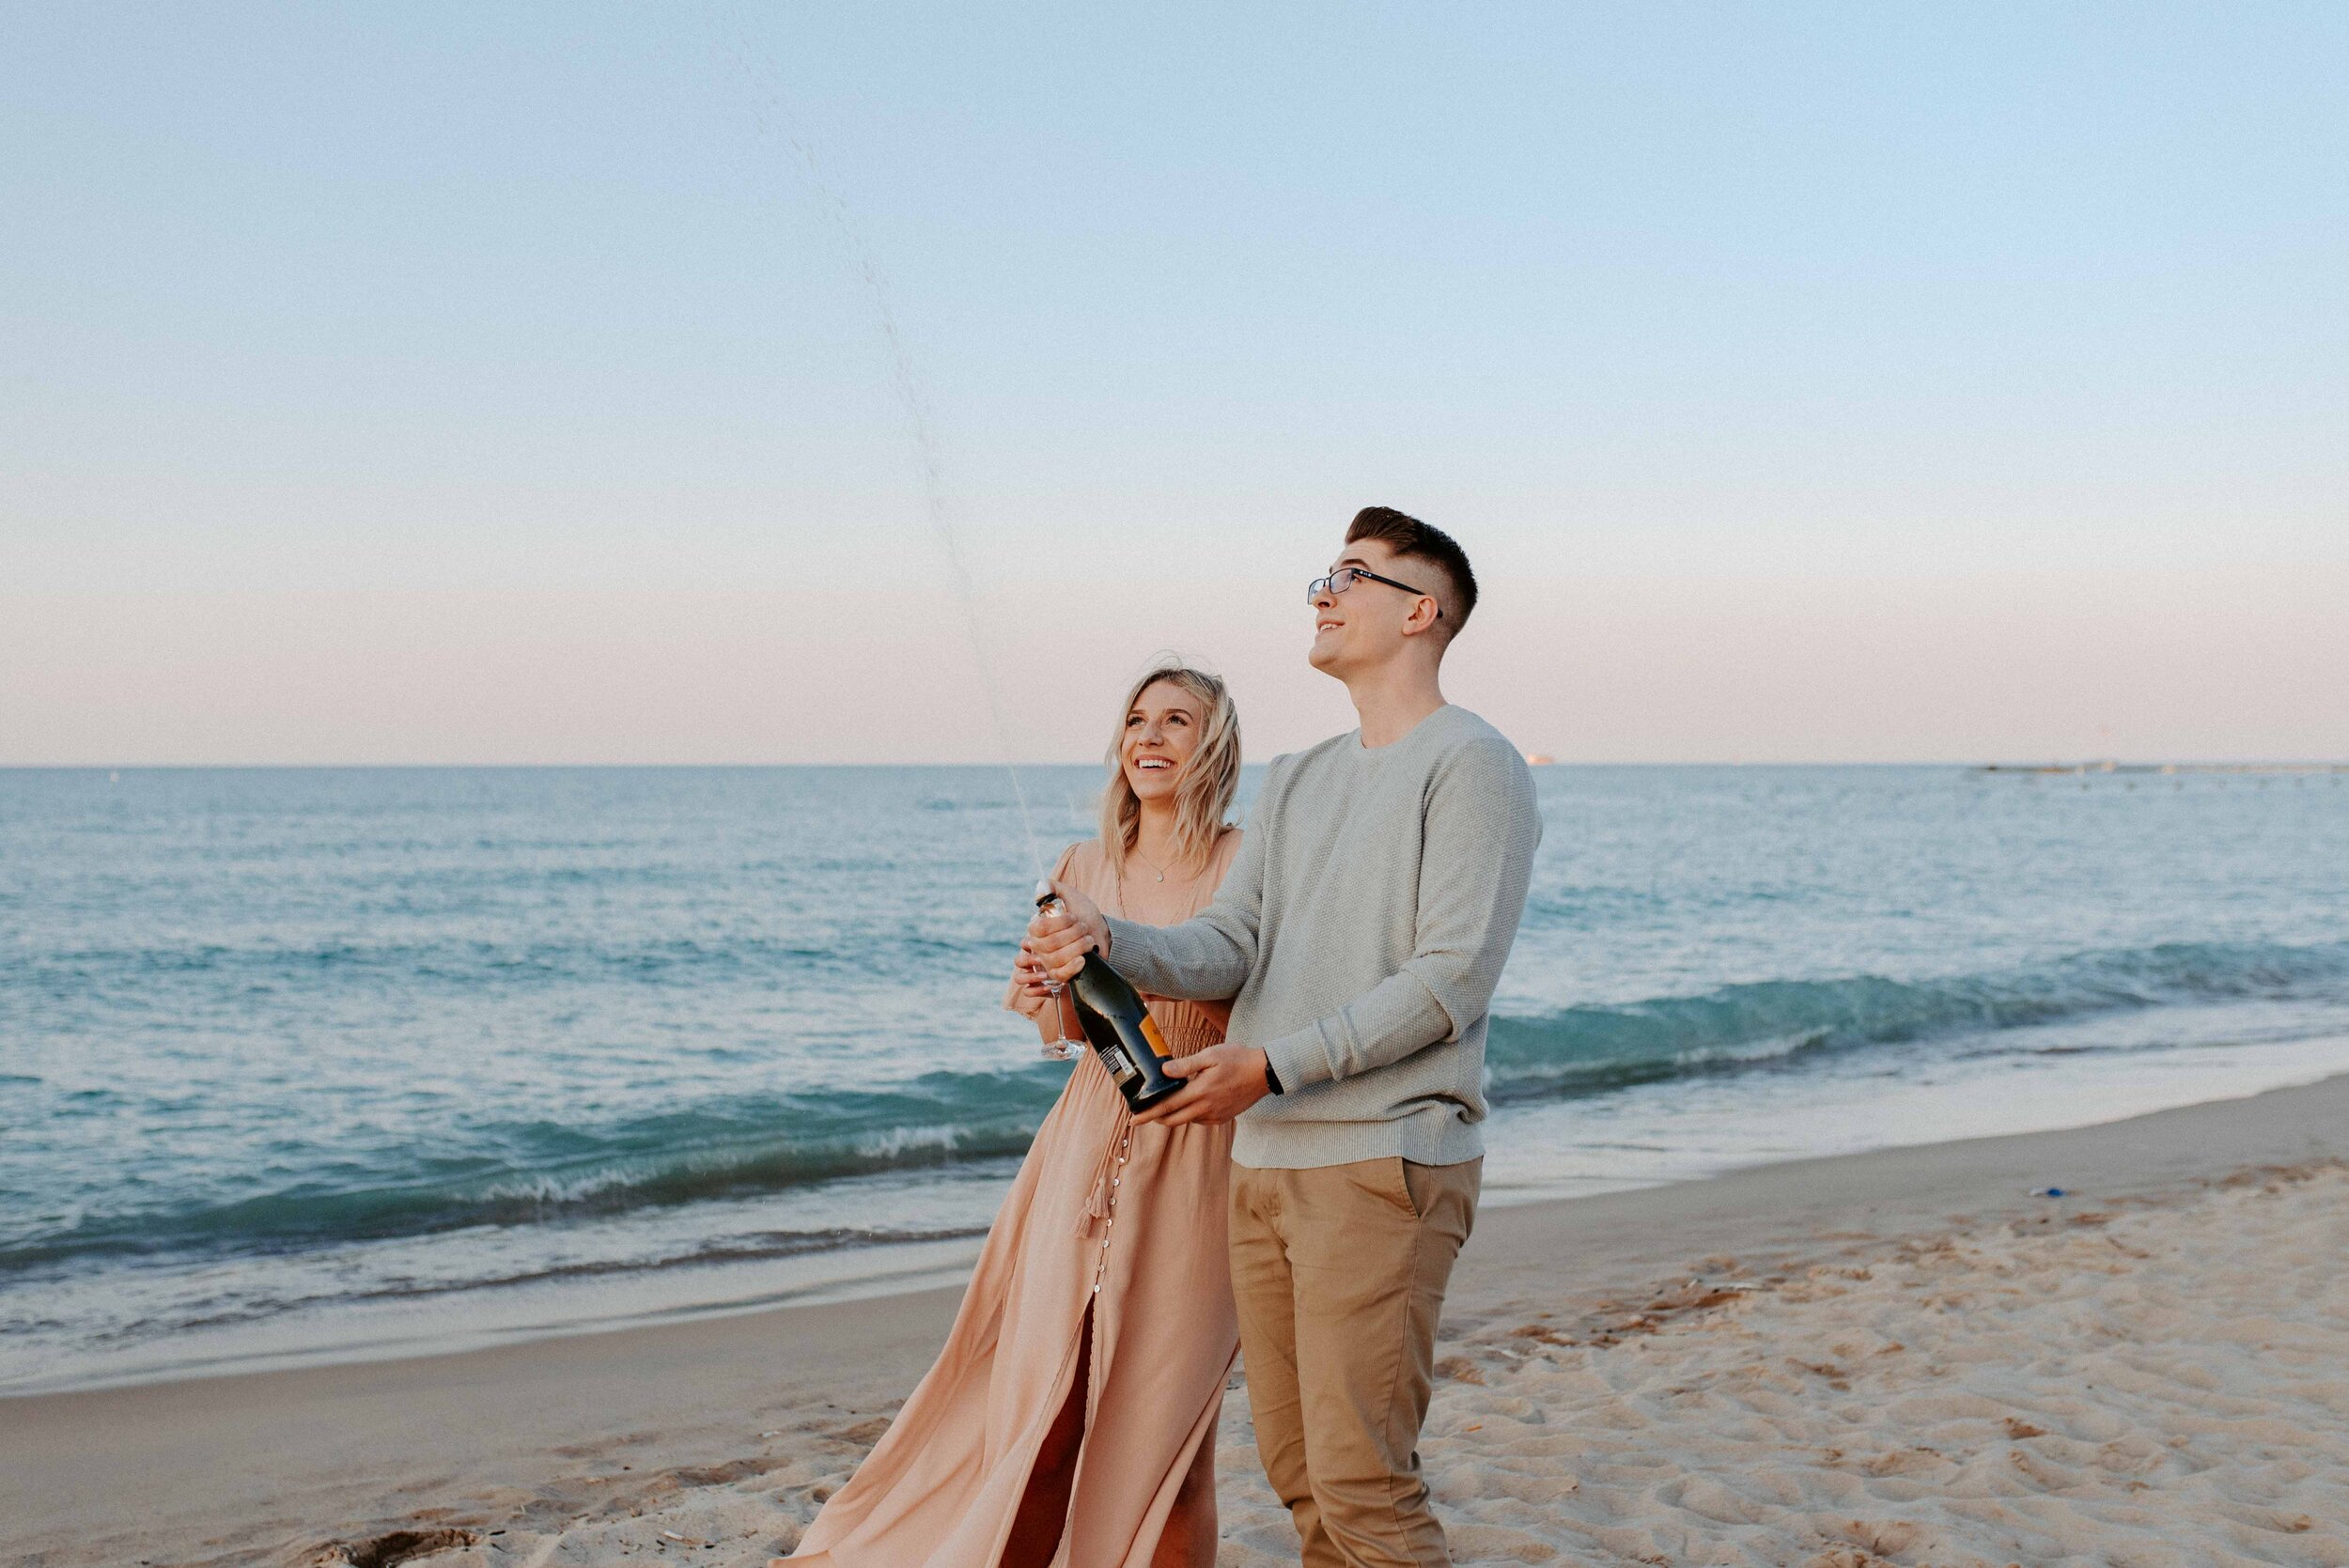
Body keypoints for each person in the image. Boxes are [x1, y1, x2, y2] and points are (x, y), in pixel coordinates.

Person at [1025, 508, 1542, 1568]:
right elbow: (1231, 941)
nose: (1322, 591)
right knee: (1303, 1478)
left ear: (1419, 611)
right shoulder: (1302, 775)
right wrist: (1107, 934)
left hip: (1382, 1159)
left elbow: (1450, 979)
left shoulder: (1475, 763)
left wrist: (1273, 1065)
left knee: (1364, 1487)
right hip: (1262, 1166)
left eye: (1351, 574)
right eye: (1324, 572)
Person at [781, 663, 1247, 1568]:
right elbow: (1068, 1027)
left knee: (1173, 1448)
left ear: (1213, 743)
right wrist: (1049, 983)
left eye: (1177, 721)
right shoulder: (1080, 865)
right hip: (1081, 1145)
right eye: (1137, 720)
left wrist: (1136, 964)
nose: (1149, 736)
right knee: (1046, 1419)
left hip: (1199, 1155)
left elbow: (1258, 1005)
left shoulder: (1247, 862)